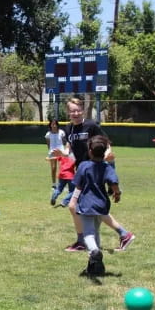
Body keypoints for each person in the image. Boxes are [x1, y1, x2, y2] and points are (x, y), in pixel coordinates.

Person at [52, 95, 134, 252]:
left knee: (74, 206)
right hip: (82, 171)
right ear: (68, 112)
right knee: (87, 208)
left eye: (78, 110)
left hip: (93, 171)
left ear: (82, 110)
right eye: (72, 111)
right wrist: (61, 153)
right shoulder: (68, 129)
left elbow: (106, 143)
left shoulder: (91, 125)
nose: (75, 113)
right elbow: (69, 149)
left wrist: (107, 156)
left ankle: (85, 240)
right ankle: (117, 235)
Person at [72, 135, 133, 276]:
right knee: (96, 231)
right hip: (101, 204)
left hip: (86, 204)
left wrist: (73, 200)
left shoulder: (84, 166)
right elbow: (114, 183)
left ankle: (94, 252)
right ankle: (96, 266)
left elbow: (78, 185)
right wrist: (117, 194)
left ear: (90, 151)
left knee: (88, 234)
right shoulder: (106, 167)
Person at [44, 119, 66, 188]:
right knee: (53, 168)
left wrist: (64, 152)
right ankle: (54, 184)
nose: (54, 126)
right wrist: (50, 151)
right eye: (52, 124)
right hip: (52, 152)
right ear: (50, 125)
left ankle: (63, 184)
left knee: (63, 168)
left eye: (55, 124)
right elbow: (48, 144)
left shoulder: (61, 132)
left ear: (57, 125)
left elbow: (64, 142)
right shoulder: (48, 134)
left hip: (61, 152)